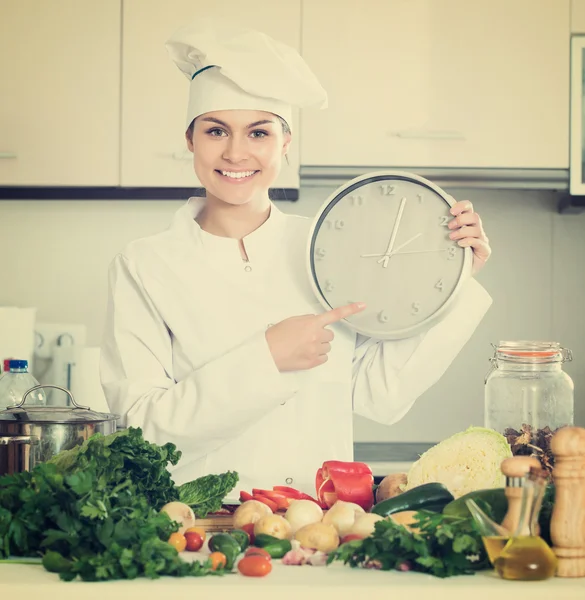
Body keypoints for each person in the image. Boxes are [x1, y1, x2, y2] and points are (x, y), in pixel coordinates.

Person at [100, 20, 492, 494]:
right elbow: (143, 432)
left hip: (315, 521)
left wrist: (453, 279)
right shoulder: (145, 265)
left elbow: (379, 395)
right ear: (190, 139)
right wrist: (266, 358)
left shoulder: (330, 251)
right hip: (194, 526)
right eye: (216, 130)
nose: (236, 152)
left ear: (285, 143)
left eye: (259, 133)